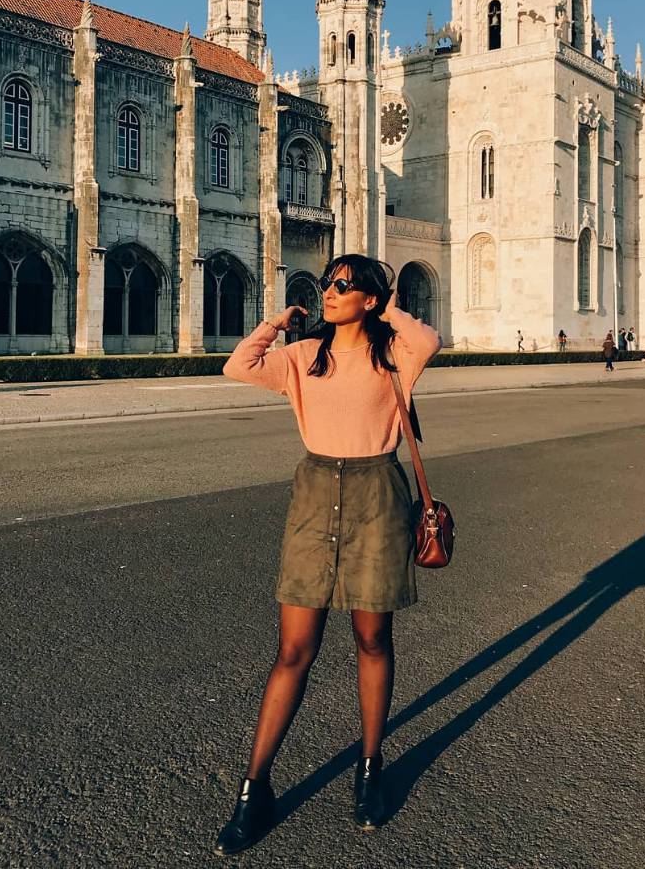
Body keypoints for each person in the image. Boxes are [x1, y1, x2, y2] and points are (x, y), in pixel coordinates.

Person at [215, 254, 442, 854]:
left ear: (369, 297)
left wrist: (386, 303)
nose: (329, 293)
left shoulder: (395, 354)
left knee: (372, 639)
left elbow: (429, 337)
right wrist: (277, 322)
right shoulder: (302, 357)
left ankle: (370, 769)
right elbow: (238, 366)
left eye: (343, 286)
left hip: (376, 493)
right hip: (315, 494)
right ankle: (254, 788)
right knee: (293, 649)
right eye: (326, 284)